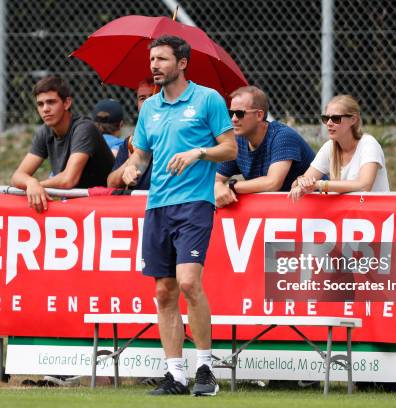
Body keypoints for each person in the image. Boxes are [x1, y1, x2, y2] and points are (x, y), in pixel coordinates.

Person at [121, 35, 237, 396]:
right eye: (152, 59)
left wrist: (198, 153)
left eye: (162, 59)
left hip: (194, 204)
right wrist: (131, 167)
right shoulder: (149, 108)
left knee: (188, 283)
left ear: (182, 63)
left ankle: (205, 369)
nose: (155, 65)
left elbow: (229, 147)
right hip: (158, 206)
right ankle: (176, 375)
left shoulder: (208, 99)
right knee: (164, 291)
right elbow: (140, 155)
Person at [11, 75, 114, 212]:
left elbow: (68, 179)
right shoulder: (45, 131)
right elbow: (17, 176)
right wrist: (31, 183)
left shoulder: (84, 128)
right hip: (77, 207)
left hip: (106, 208)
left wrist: (37, 186)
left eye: (51, 102)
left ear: (67, 103)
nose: (45, 109)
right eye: (40, 104)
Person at [214, 86, 315, 207]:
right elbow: (214, 178)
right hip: (279, 211)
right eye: (231, 113)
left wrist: (231, 186)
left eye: (240, 113)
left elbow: (272, 183)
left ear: (259, 115)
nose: (233, 119)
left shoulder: (282, 136)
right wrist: (217, 186)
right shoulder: (238, 140)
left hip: (313, 209)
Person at [288, 94, 389, 201]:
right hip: (350, 213)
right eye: (325, 118)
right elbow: (303, 181)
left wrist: (321, 184)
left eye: (336, 118)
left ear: (353, 120)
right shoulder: (329, 147)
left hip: (376, 213)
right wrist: (301, 182)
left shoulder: (369, 144)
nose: (329, 123)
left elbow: (364, 186)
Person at [107, 78, 155, 190]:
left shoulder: (175, 137)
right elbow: (111, 183)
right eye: (142, 98)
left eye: (153, 96)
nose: (147, 103)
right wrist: (131, 162)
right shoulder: (130, 142)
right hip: (137, 205)